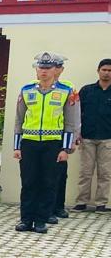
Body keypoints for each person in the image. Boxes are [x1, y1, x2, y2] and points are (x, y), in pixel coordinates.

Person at [14, 52, 78, 233]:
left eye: (48, 68)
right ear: (36, 70)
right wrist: (17, 146)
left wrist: (65, 148)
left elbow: (70, 122)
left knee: (48, 182)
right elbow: (19, 120)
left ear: (55, 70)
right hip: (29, 142)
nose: (44, 71)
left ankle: (41, 220)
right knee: (28, 182)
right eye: (41, 67)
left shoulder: (65, 91)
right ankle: (26, 219)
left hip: (53, 143)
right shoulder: (27, 90)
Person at [74, 58, 111, 212]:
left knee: (105, 173)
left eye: (110, 70)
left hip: (108, 138)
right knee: (85, 172)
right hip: (87, 137)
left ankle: (101, 204)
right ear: (98, 71)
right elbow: (76, 113)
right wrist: (77, 133)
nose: (107, 73)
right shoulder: (86, 91)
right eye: (104, 70)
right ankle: (81, 202)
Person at [50, 58, 78, 220]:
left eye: (58, 67)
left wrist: (74, 138)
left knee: (60, 174)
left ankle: (58, 206)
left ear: (61, 69)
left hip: (61, 136)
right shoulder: (33, 87)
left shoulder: (68, 88)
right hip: (38, 136)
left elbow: (74, 116)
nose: (55, 70)